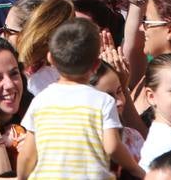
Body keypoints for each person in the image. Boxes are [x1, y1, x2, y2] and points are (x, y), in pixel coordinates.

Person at [16, 18, 141, 178]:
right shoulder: (102, 101)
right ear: (96, 65)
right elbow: (112, 147)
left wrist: (21, 177)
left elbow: (28, 154)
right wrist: (136, 169)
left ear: (51, 59)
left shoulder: (40, 101)